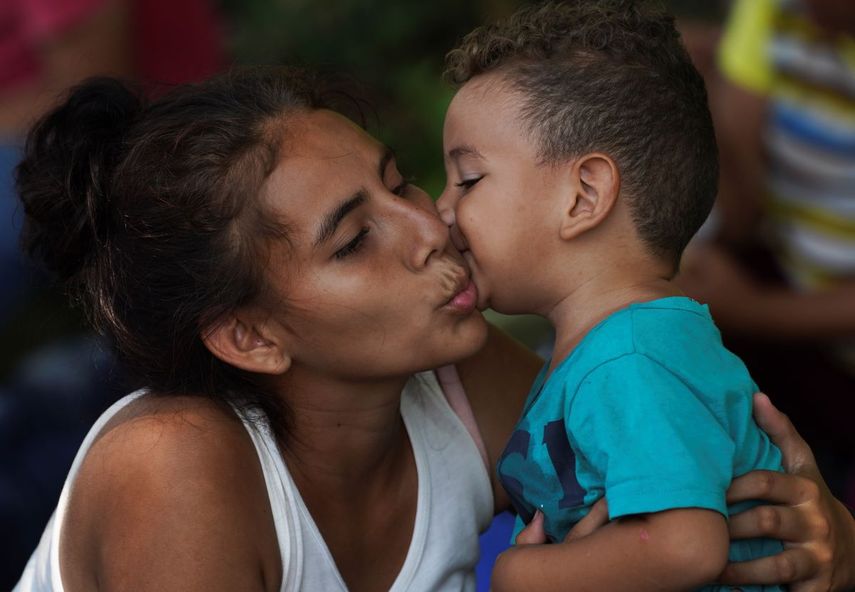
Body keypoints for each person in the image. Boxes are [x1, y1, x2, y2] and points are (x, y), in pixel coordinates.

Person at [10, 66, 855, 591]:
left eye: (398, 186)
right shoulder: (174, 468)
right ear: (250, 337)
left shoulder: (463, 380)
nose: (431, 228)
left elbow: (678, 514)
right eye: (354, 240)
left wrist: (826, 538)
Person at [436, 2, 854, 591]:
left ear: (584, 196)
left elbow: (686, 546)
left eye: (469, 180)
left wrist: (518, 574)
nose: (442, 210)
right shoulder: (623, 350)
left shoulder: (629, 361)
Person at [679, 0, 855, 497]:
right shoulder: (775, 11)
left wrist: (751, 309)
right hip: (790, 286)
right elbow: (743, 205)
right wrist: (706, 93)